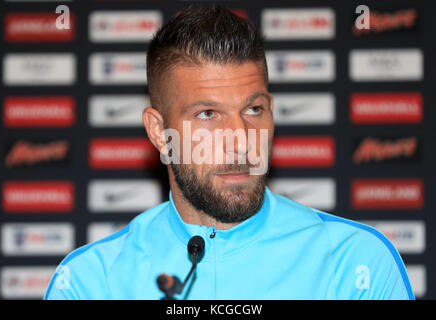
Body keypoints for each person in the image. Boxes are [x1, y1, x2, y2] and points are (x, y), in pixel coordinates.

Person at [44, 5, 414, 300]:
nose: (241, 140)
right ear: (159, 132)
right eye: (208, 114)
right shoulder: (92, 281)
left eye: (254, 110)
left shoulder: (357, 263)